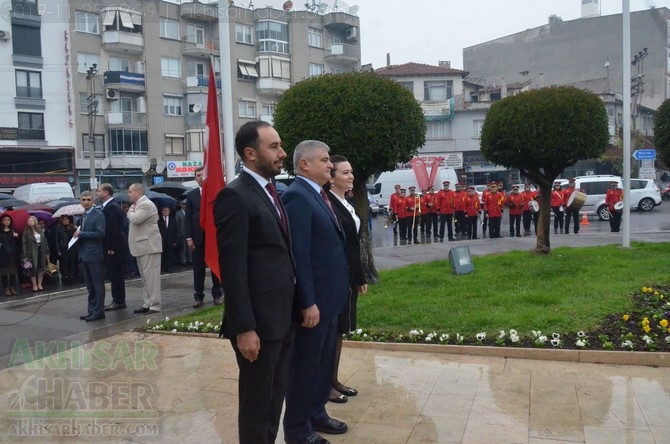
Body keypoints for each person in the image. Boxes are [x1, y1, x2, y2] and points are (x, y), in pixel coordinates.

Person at [214, 121, 297, 444]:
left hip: (282, 317)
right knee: (256, 406)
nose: (282, 153)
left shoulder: (270, 191)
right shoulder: (235, 197)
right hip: (257, 325)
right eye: (274, 147)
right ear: (250, 153)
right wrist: (244, 328)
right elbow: (232, 270)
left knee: (274, 400)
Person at [282, 140, 350, 444]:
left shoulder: (319, 195)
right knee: (306, 367)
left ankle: (317, 413)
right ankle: (297, 429)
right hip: (315, 304)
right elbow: (300, 254)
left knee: (322, 364)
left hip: (331, 299)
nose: (330, 165)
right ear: (304, 164)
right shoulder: (297, 196)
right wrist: (307, 301)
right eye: (323, 160)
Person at [325, 156, 368, 404]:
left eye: (351, 172)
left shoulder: (346, 202)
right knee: (332, 332)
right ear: (331, 178)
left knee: (341, 330)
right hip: (335, 277)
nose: (350, 176)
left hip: (349, 276)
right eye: (344, 173)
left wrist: (359, 275)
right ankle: (326, 384)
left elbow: (353, 244)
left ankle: (334, 380)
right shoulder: (328, 202)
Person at [185, 166, 222, 308]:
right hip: (197, 237)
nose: (200, 177)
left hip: (212, 237)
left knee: (214, 267)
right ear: (195, 178)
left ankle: (217, 295)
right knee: (198, 269)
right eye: (198, 175)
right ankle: (198, 296)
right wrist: (189, 237)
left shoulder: (215, 193)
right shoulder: (192, 195)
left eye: (202, 174)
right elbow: (188, 218)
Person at [127, 183, 162, 315]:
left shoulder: (145, 204)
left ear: (138, 192)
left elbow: (136, 219)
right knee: (145, 278)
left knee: (151, 278)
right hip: (142, 246)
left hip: (149, 246)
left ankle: (155, 305)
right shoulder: (140, 204)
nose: (128, 194)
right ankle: (147, 302)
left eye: (130, 192)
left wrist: (130, 210)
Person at [73, 191, 107, 322]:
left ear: (93, 201)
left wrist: (81, 234)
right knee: (89, 285)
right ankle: (92, 309)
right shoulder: (83, 216)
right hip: (84, 254)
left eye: (88, 200)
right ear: (80, 201)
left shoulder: (98, 215)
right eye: (83, 199)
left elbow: (100, 233)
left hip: (94, 255)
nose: (86, 202)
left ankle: (99, 311)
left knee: (98, 285)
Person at [97, 183, 127, 311]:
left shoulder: (112, 207)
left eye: (99, 191)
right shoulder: (107, 206)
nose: (97, 193)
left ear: (106, 192)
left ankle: (119, 301)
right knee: (113, 274)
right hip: (112, 246)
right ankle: (117, 299)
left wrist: (111, 247)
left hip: (114, 247)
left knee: (116, 274)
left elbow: (112, 228)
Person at [21, 215, 50, 292]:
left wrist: (47, 252)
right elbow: (23, 244)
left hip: (41, 250)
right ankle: (34, 284)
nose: (30, 222)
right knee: (33, 269)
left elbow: (45, 241)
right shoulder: (26, 232)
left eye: (32, 221)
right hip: (31, 252)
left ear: (35, 221)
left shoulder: (40, 230)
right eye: (29, 221)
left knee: (41, 268)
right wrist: (24, 255)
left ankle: (40, 284)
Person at [54, 215, 79, 286]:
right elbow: (57, 240)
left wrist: (76, 229)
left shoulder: (72, 227)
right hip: (63, 248)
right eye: (64, 219)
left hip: (72, 248)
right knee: (64, 264)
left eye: (67, 219)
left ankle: (72, 277)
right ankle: (65, 277)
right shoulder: (59, 228)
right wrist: (58, 250)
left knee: (72, 263)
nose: (66, 221)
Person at [0, 214, 19, 296]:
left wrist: (16, 236)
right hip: (3, 254)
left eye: (8, 220)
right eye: (5, 220)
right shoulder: (0, 231)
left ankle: (12, 287)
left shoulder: (13, 230)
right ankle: (6, 288)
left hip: (12, 254)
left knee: (13, 272)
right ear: (2, 221)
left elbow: (17, 244)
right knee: (4, 272)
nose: (7, 221)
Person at [158, 206, 178, 274]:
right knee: (161, 255)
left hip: (170, 240)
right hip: (161, 240)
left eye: (167, 210)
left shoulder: (172, 220)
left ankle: (169, 267)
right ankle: (161, 268)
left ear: (169, 212)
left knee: (169, 255)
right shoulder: (159, 220)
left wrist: (175, 240)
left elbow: (175, 230)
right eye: (164, 210)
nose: (165, 212)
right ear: (162, 212)